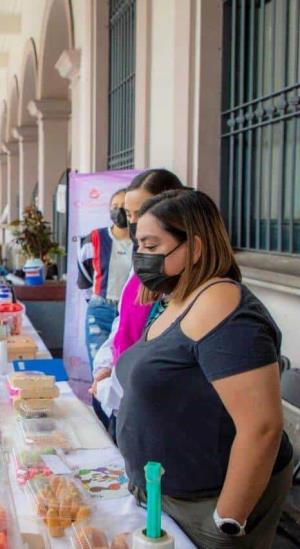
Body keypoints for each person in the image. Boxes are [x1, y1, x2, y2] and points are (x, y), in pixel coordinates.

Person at [118, 189, 293, 548]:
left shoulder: (227, 310)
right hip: (161, 499)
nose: (141, 257)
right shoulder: (177, 299)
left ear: (195, 248)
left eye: (152, 247)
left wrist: (227, 520)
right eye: (139, 246)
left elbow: (262, 427)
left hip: (206, 506)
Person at [89, 169, 184, 424]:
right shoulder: (141, 262)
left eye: (140, 213)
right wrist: (106, 367)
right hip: (124, 398)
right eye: (129, 216)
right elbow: (122, 325)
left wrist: (116, 388)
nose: (132, 224)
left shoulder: (179, 279)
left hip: (146, 406)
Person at [77, 188, 132, 429]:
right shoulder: (95, 238)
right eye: (114, 205)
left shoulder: (142, 242)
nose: (118, 210)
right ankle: (102, 425)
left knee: (124, 370)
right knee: (100, 371)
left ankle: (121, 423)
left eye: (124, 206)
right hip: (100, 309)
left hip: (129, 312)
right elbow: (84, 272)